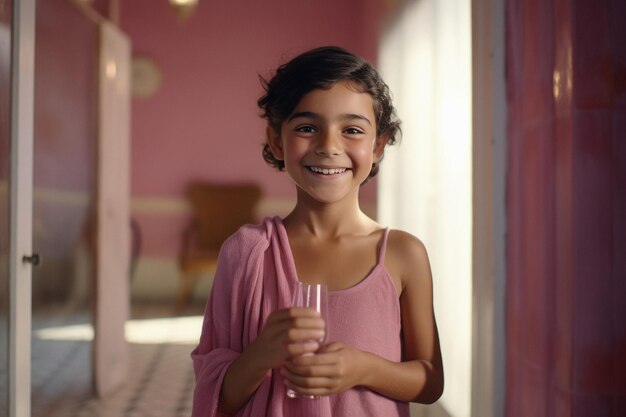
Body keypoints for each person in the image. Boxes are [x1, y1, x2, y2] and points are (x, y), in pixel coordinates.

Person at [191, 46, 444, 417]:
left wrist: (363, 367)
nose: (328, 146)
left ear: (378, 145)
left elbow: (430, 381)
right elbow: (217, 398)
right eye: (307, 128)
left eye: (352, 130)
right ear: (277, 141)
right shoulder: (246, 252)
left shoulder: (403, 254)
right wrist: (260, 356)